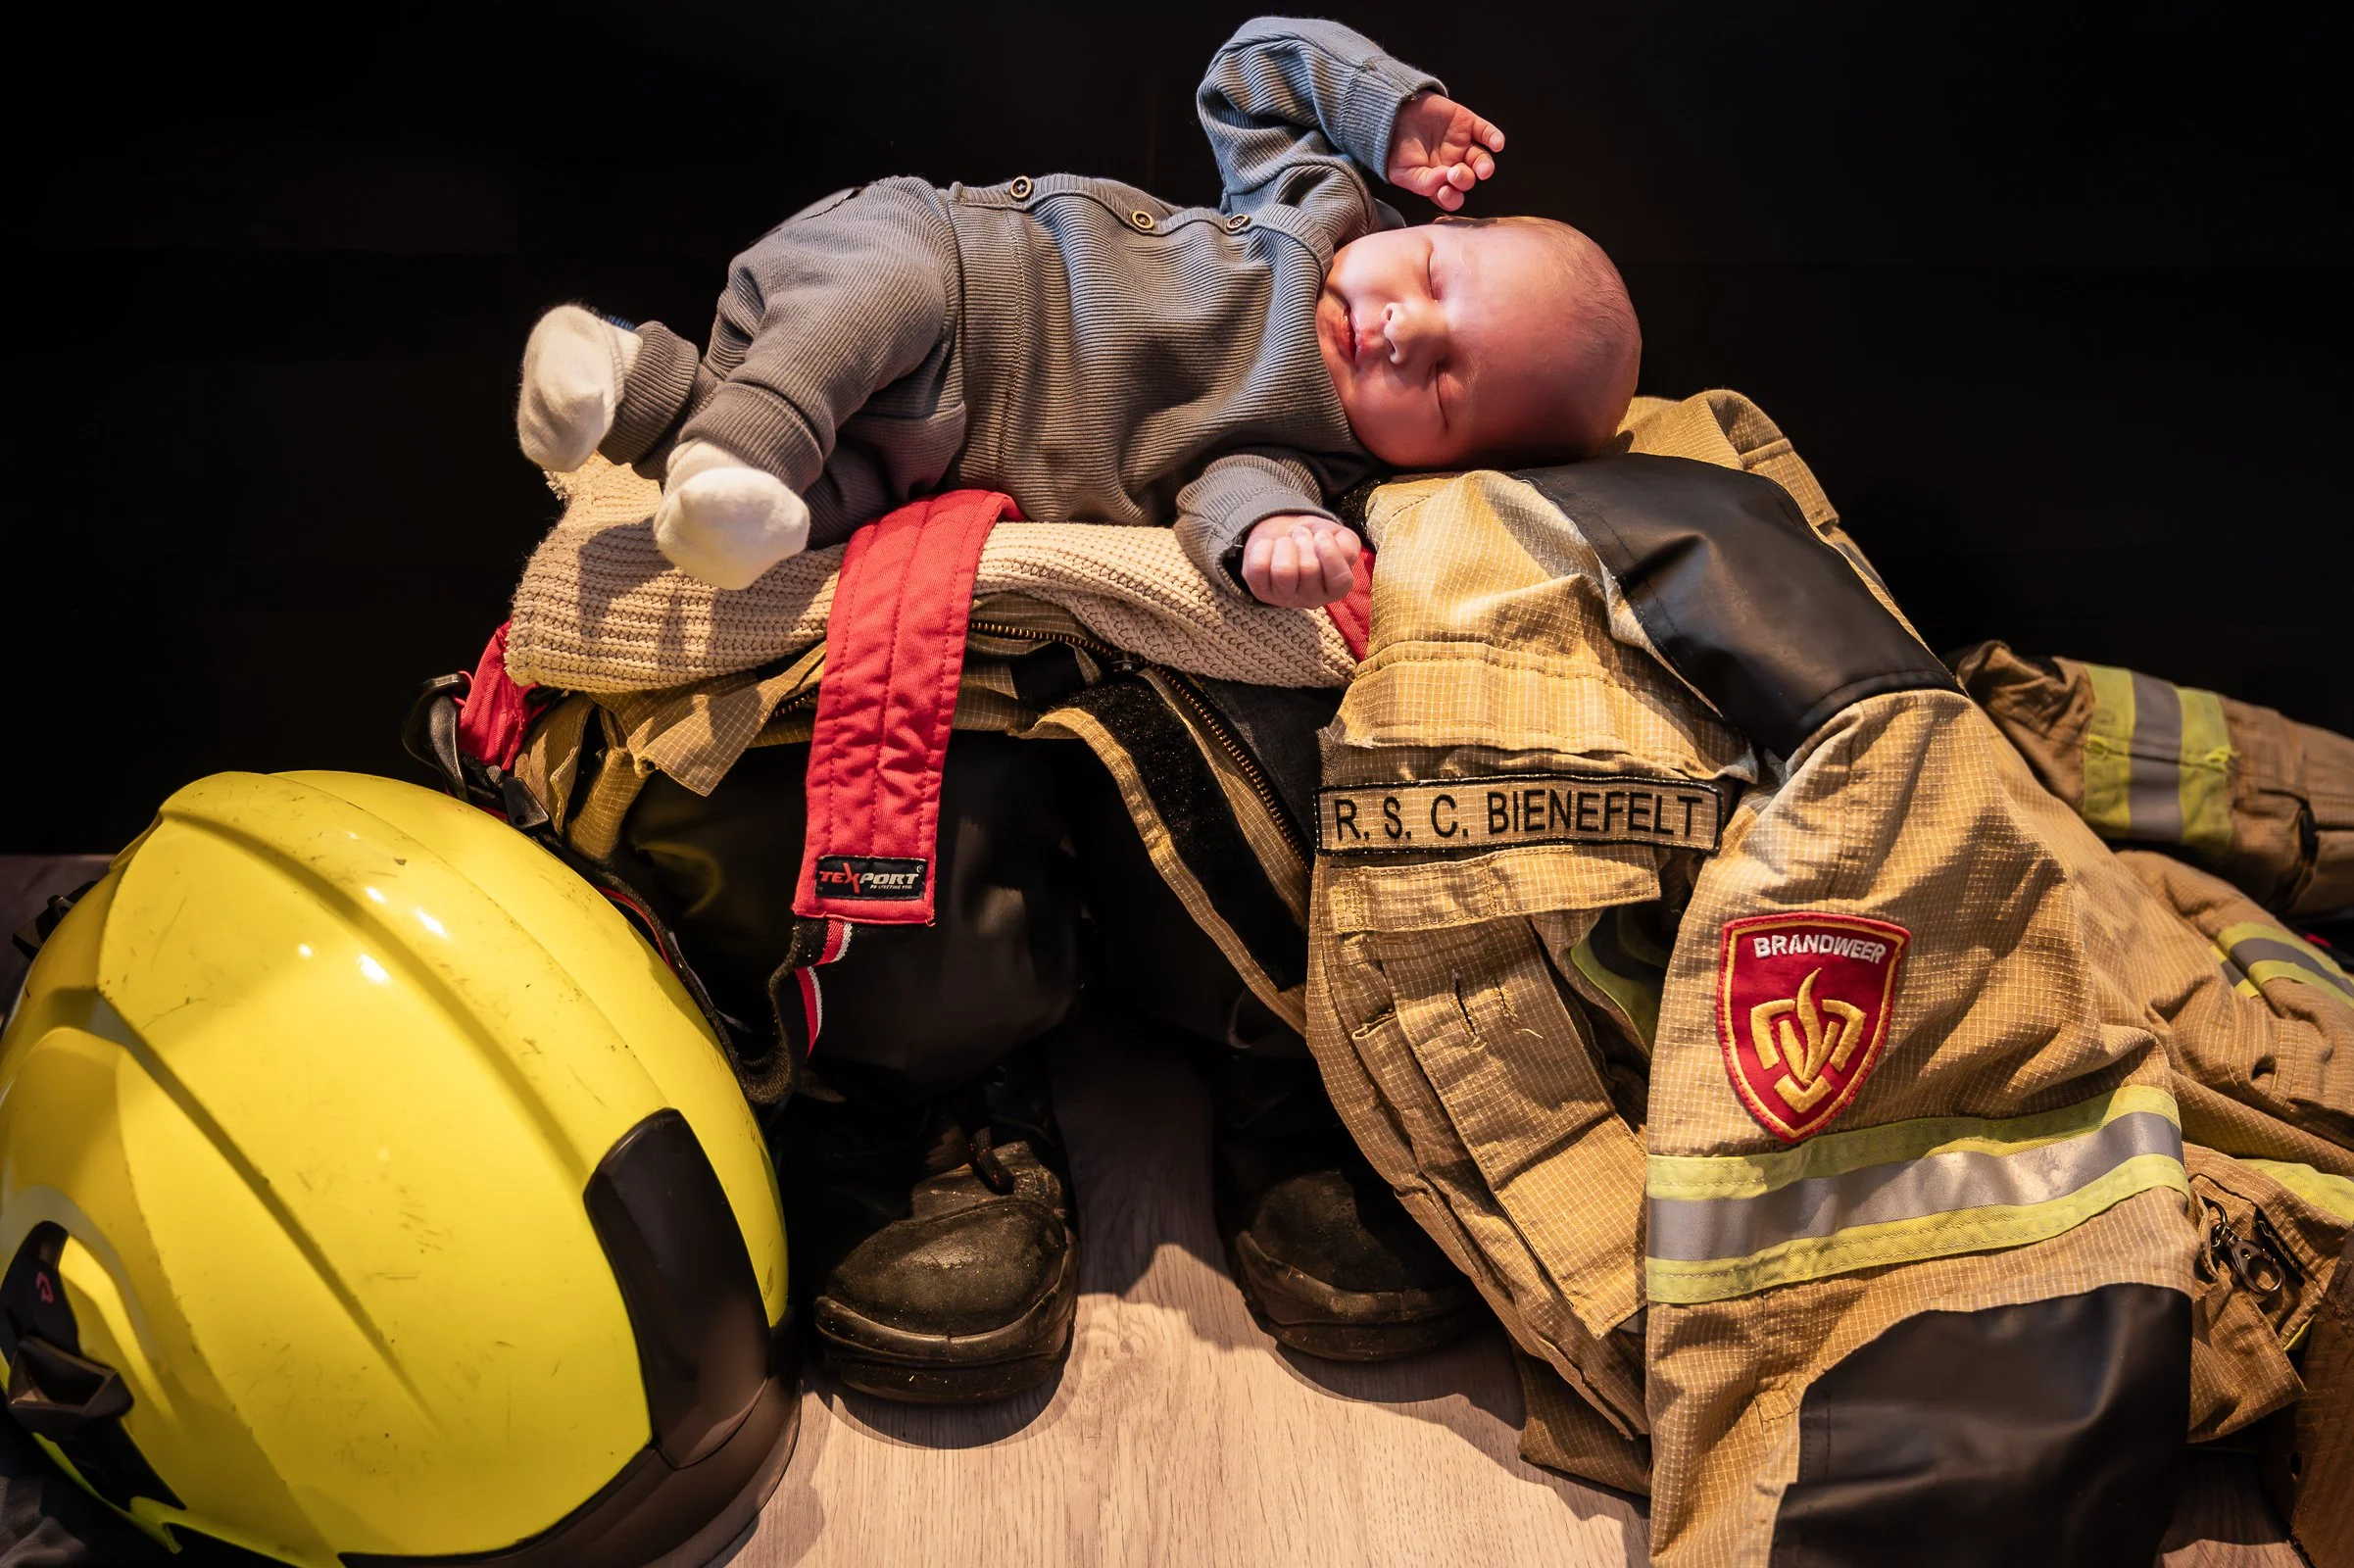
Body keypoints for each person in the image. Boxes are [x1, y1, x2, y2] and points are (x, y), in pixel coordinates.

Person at [514, 15, 1642, 608]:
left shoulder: (1306, 458)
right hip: (945, 272)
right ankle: (734, 445)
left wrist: (1273, 544)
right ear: (1426, 226)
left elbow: (1227, 504)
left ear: (1446, 466)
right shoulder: (1318, 215)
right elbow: (1249, 70)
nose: (1404, 330)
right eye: (1435, 284)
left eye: (1443, 386)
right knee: (852, 330)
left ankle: (629, 388)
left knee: (828, 507)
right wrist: (1384, 108)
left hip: (924, 453)